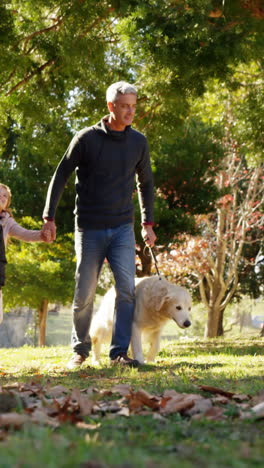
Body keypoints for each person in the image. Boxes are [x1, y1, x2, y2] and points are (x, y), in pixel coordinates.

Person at [42, 81, 156, 369]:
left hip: (121, 228)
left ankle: (118, 353)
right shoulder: (86, 139)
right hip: (89, 227)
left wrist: (147, 223)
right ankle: (79, 350)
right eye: (124, 106)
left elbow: (146, 184)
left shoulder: (138, 142)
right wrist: (49, 217)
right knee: (85, 292)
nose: (130, 111)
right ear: (110, 107)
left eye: (133, 106)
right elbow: (61, 176)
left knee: (127, 290)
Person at [0, 183, 49, 324]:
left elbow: (24, 234)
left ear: (7, 203)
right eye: (0, 193)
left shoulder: (6, 221)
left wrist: (42, 235)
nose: (2, 197)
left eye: (5, 196)